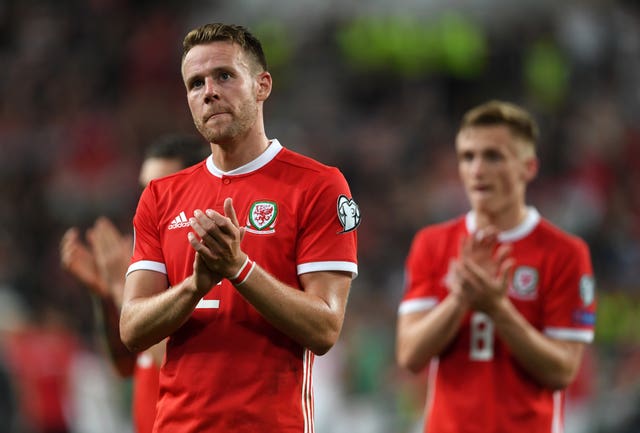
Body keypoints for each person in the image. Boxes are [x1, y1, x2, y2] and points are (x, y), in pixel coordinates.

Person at [119, 23, 359, 433]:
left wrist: (239, 269)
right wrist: (196, 286)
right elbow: (132, 329)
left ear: (262, 85)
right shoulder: (160, 195)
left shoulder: (318, 185)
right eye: (195, 84)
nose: (208, 91)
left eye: (224, 76)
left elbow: (324, 328)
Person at [396, 100, 596, 433]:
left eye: (493, 156)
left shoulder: (565, 253)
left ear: (528, 167)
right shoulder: (431, 244)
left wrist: (497, 309)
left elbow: (563, 371)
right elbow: (410, 356)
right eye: (467, 157)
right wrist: (460, 299)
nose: (477, 169)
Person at [59, 134, 208, 433]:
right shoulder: (151, 270)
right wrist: (104, 294)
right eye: (144, 190)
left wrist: (118, 288)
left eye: (162, 188)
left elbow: (187, 370)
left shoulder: (208, 267)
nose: (148, 202)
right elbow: (125, 365)